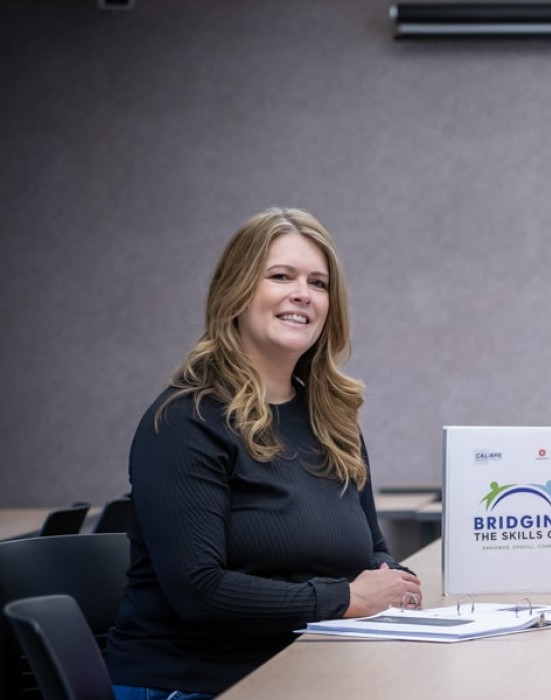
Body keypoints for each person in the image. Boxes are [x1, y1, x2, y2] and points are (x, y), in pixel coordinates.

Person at [105, 207, 421, 699]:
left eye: (318, 283)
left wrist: (394, 581)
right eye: (280, 276)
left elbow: (371, 549)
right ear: (236, 292)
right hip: (194, 683)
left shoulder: (332, 421)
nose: (303, 293)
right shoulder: (186, 421)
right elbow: (199, 591)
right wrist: (346, 597)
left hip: (307, 670)